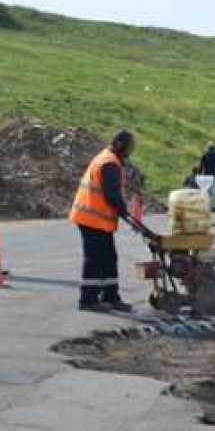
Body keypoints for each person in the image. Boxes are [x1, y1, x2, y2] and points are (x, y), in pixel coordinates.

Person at [69, 131, 136, 313]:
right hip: (91, 218)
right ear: (119, 144)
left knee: (108, 258)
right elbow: (111, 194)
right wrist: (125, 213)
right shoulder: (109, 163)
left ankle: (110, 296)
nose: (130, 152)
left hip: (97, 218)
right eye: (129, 147)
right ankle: (88, 299)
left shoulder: (108, 159)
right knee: (95, 259)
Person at [198, 142, 215, 212]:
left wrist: (199, 173)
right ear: (214, 148)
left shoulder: (205, 154)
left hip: (207, 175)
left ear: (208, 148)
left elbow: (201, 166)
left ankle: (208, 206)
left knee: (208, 192)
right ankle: (214, 207)